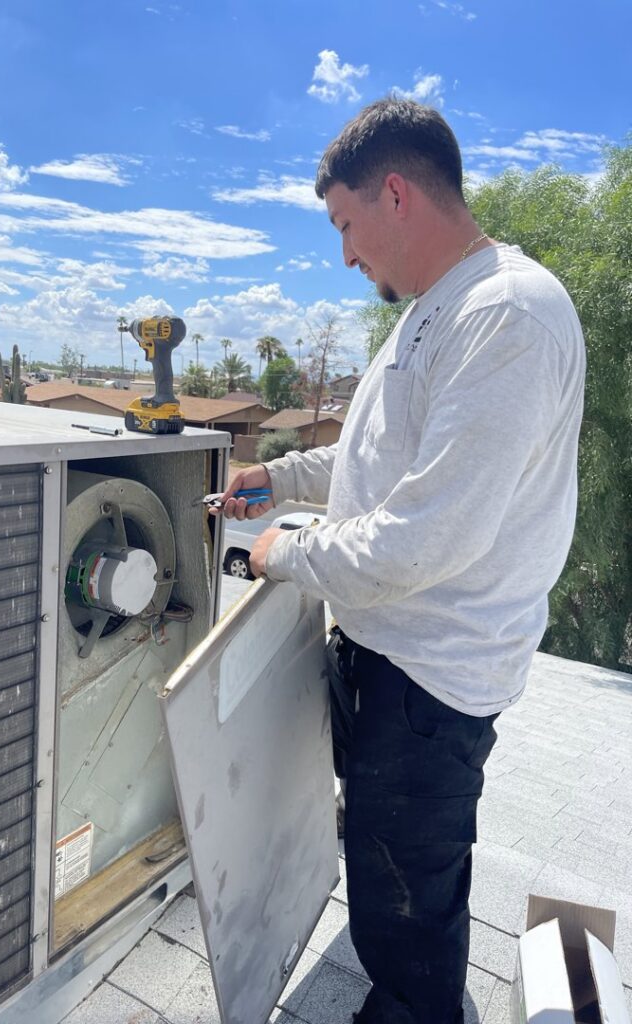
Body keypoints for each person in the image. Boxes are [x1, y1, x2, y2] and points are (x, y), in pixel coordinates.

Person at [216, 98, 585, 1023]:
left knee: (408, 905)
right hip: (390, 657)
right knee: (388, 868)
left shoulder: (509, 314)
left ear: (393, 194)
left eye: (345, 225)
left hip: (432, 683)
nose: (345, 254)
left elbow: (424, 538)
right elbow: (375, 461)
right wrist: (281, 479)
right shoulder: (434, 310)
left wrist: (285, 553)